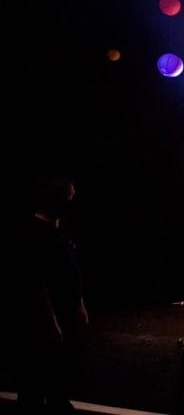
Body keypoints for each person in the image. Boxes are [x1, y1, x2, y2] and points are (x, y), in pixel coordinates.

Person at [12, 173, 88, 414]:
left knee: (58, 376)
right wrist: (50, 320)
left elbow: (70, 272)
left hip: (63, 314)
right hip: (44, 319)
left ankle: (57, 400)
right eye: (68, 197)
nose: (71, 202)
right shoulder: (35, 233)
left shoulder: (58, 233)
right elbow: (35, 282)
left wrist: (80, 304)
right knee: (34, 383)